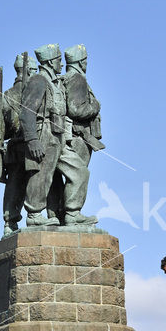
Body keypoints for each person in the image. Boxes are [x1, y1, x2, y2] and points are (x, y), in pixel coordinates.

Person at [49, 44, 104, 225]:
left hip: (70, 136)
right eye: (85, 60)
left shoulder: (66, 78)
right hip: (78, 137)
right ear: (81, 61)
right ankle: (72, 213)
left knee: (63, 178)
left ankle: (59, 215)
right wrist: (95, 106)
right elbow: (75, 109)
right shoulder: (77, 78)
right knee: (78, 175)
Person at [19, 43, 66, 227]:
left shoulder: (54, 81)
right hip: (43, 132)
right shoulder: (38, 80)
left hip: (57, 133)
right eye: (58, 60)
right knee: (40, 173)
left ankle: (60, 212)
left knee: (54, 176)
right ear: (50, 61)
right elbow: (26, 111)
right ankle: (34, 213)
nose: (61, 64)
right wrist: (32, 139)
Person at [0, 54, 38, 235]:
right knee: (34, 181)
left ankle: (10, 220)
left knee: (15, 184)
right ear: (28, 70)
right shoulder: (32, 92)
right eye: (34, 70)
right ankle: (34, 216)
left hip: (14, 147)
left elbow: (0, 131)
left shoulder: (5, 96)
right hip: (29, 145)